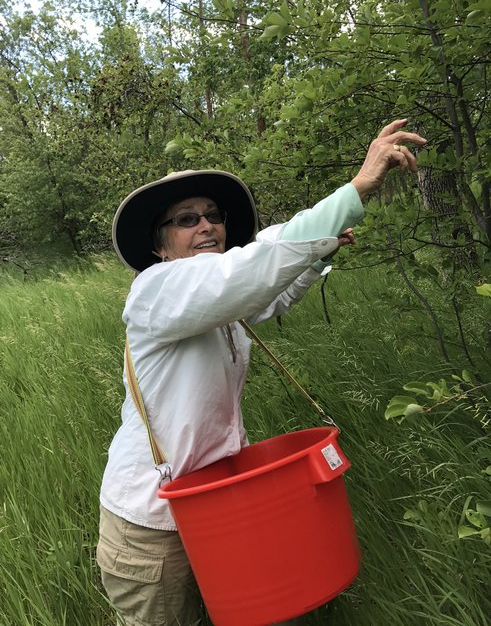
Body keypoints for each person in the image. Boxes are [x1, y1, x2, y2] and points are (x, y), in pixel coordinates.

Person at [96, 119, 426, 626]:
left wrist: (319, 251)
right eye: (187, 219)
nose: (206, 226)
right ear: (160, 245)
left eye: (213, 215)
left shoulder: (214, 301)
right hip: (152, 524)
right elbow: (247, 273)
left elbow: (266, 290)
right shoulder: (159, 290)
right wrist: (356, 188)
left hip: (217, 506)